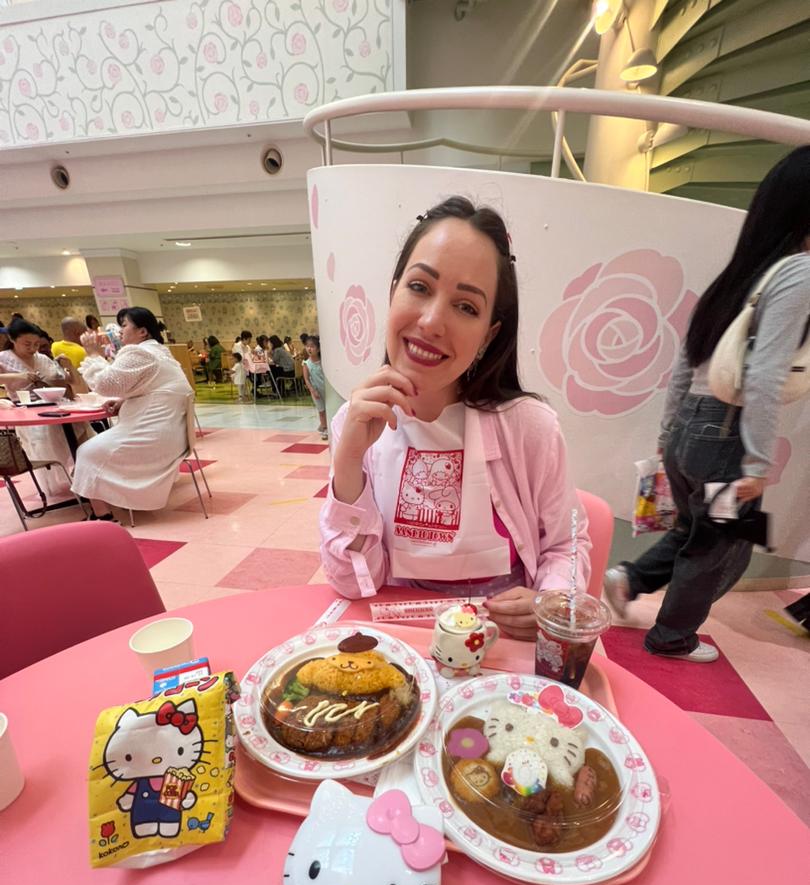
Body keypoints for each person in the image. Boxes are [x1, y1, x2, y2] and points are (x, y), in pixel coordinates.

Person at [320, 196, 590, 639]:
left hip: (502, 649)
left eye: (466, 307)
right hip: (404, 644)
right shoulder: (357, 422)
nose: (431, 322)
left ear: (489, 334)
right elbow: (355, 585)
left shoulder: (530, 427)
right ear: (393, 291)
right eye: (420, 288)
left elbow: (567, 544)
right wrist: (348, 464)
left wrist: (550, 601)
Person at [604, 146, 810, 662]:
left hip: (689, 435)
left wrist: (668, 434)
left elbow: (685, 360)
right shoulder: (800, 273)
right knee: (719, 547)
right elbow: (763, 376)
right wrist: (758, 462)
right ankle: (671, 637)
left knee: (694, 531)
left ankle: (628, 578)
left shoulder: (741, 276)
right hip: (724, 439)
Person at [71, 306, 193, 519]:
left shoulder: (139, 352)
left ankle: (102, 515)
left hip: (153, 437)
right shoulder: (159, 352)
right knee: (93, 449)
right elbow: (152, 387)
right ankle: (114, 499)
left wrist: (92, 354)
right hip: (174, 436)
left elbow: (105, 384)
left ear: (143, 332)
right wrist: (124, 400)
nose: (119, 331)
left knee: (86, 452)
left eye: (124, 325)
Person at [0, 317, 85, 493]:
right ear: (13, 340)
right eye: (27, 344)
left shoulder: (42, 359)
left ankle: (82, 472)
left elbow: (65, 380)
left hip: (51, 407)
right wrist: (19, 376)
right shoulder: (4, 358)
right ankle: (69, 476)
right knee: (47, 432)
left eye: (36, 344)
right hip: (25, 411)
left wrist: (68, 368)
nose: (33, 349)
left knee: (81, 426)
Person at [302, 334, 328, 439]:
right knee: (321, 410)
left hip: (326, 390)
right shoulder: (306, 363)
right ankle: (325, 428)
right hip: (316, 392)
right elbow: (307, 379)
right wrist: (313, 391)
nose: (309, 348)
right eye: (307, 346)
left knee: (328, 409)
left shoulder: (324, 361)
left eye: (312, 346)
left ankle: (325, 425)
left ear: (318, 349)